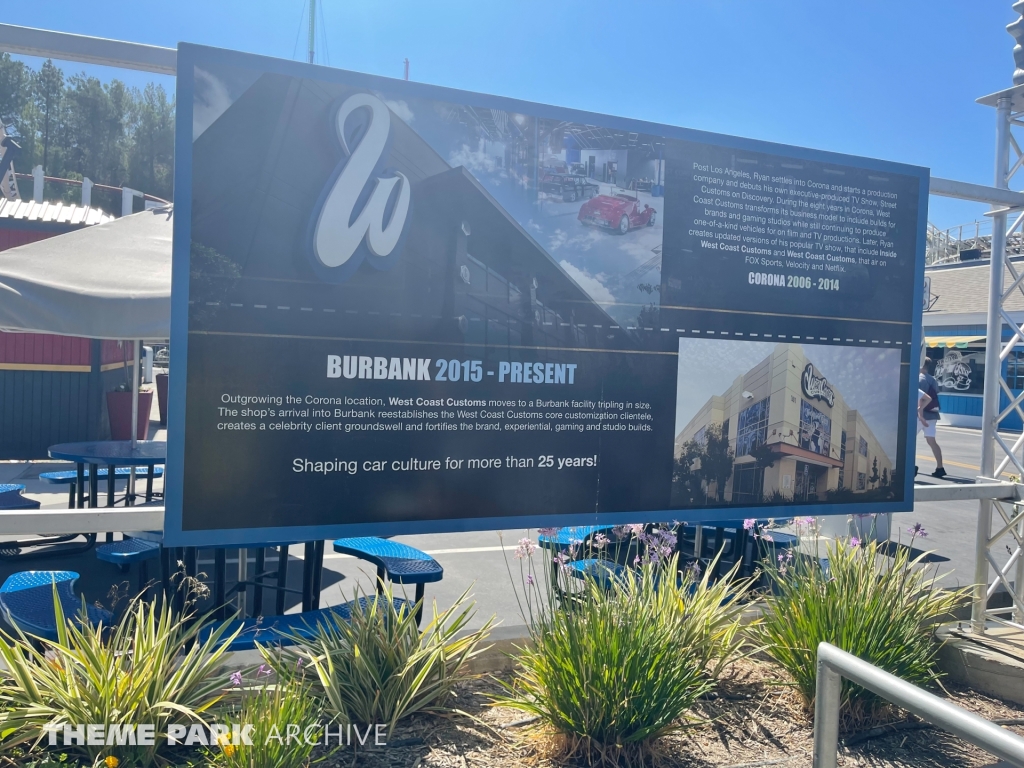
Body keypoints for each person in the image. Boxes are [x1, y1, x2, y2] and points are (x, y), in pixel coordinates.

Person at [919, 358, 946, 478]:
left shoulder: (919, 379)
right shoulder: (932, 379)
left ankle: (910, 467)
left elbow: (920, 397)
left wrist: (919, 412)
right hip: (932, 414)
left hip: (920, 415)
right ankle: (940, 467)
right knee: (932, 441)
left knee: (908, 441)